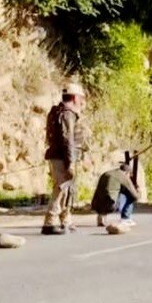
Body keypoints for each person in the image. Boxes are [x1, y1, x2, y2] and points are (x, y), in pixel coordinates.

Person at [41, 83, 86, 235]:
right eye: (81, 98)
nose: (82, 102)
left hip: (59, 156)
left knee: (66, 189)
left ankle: (65, 220)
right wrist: (71, 163)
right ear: (74, 97)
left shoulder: (57, 112)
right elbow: (68, 140)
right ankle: (50, 221)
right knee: (61, 188)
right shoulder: (68, 114)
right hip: (62, 157)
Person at [91, 162, 140, 227]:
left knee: (108, 193)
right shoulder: (123, 176)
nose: (129, 177)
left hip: (96, 205)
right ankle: (126, 218)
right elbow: (135, 196)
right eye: (129, 175)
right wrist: (139, 191)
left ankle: (101, 215)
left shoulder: (106, 173)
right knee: (130, 195)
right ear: (127, 173)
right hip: (111, 205)